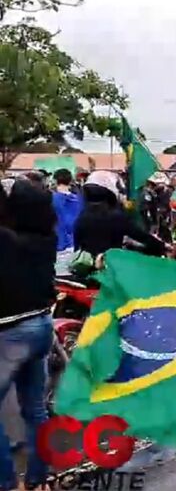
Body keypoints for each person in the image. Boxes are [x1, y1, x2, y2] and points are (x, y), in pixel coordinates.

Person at [0, 181, 57, 490]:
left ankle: (6, 482)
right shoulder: (46, 238)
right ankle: (38, 480)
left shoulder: (7, 240)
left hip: (9, 330)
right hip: (41, 325)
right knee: (35, 408)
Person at [74, 171, 165, 260]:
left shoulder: (82, 216)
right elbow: (141, 237)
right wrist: (162, 246)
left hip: (87, 266)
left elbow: (77, 246)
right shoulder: (116, 217)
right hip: (111, 266)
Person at [51, 169, 82, 254]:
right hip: (76, 244)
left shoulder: (50, 199)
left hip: (58, 244)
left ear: (55, 180)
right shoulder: (80, 199)